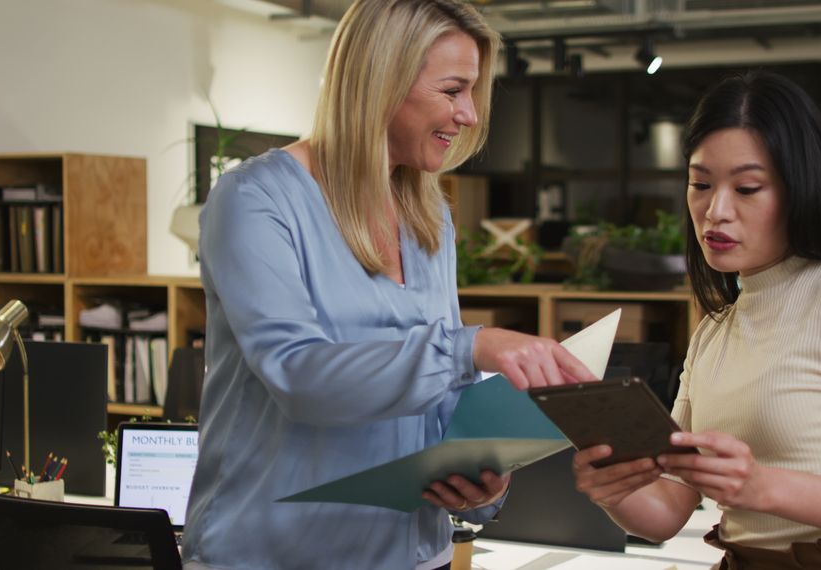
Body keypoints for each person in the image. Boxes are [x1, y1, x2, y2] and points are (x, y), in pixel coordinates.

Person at [181, 1, 596, 569]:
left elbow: (436, 398)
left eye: (473, 92)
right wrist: (470, 346)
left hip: (416, 555)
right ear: (383, 80)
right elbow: (298, 375)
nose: (470, 114)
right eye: (453, 90)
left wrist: (480, 482)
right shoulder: (255, 200)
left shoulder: (430, 217)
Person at [571, 71, 821, 569]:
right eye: (700, 184)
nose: (715, 210)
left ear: (801, 190)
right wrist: (612, 490)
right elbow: (668, 509)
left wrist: (765, 486)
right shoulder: (716, 329)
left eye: (747, 188)